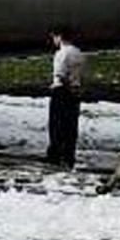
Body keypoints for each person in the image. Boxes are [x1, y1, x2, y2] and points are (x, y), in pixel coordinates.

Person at [47, 26, 85, 168]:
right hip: (75, 91)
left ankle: (55, 155)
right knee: (71, 126)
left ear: (59, 37)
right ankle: (69, 155)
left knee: (57, 125)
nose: (54, 41)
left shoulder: (61, 54)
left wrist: (66, 87)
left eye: (54, 37)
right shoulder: (78, 53)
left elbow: (61, 75)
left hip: (62, 91)